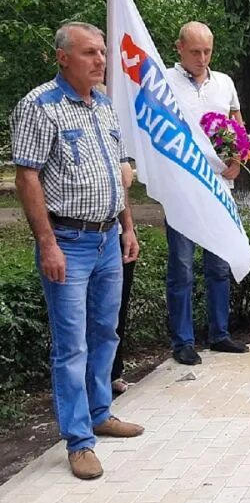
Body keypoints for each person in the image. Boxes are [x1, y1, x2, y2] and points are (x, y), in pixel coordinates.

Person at [11, 22, 145, 480]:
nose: (101, 60)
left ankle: (100, 413)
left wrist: (128, 227)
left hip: (108, 239)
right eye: (90, 52)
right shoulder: (39, 106)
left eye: (102, 52)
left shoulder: (103, 105)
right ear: (63, 57)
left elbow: (117, 174)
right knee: (71, 345)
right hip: (67, 242)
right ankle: (79, 441)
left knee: (106, 333)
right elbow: (26, 178)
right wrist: (47, 243)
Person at [165, 21, 248, 365]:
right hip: (182, 188)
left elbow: (238, 125)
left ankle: (220, 333)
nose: (202, 58)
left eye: (207, 51)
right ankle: (183, 341)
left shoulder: (224, 82)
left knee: (219, 263)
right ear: (179, 48)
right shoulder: (164, 81)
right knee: (182, 267)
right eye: (195, 51)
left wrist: (238, 159)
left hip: (219, 186)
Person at [111, 161, 136, 395]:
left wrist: (128, 229)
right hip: (74, 235)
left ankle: (113, 373)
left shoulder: (115, 142)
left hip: (115, 234)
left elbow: (122, 186)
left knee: (115, 310)